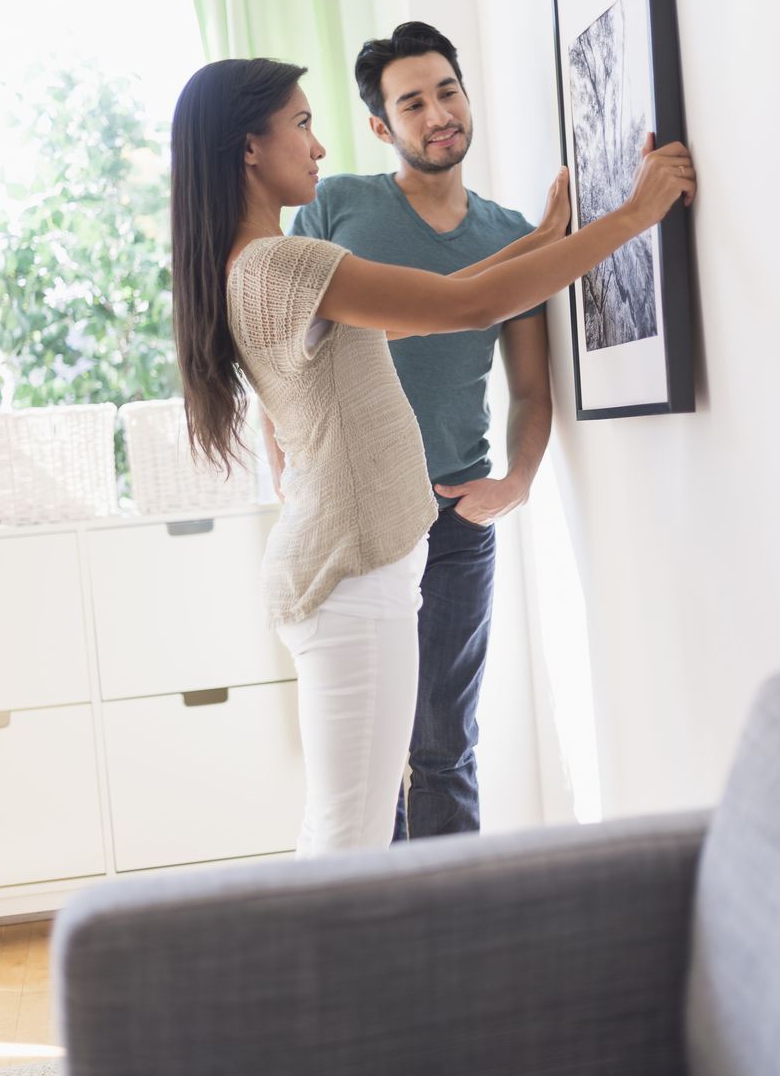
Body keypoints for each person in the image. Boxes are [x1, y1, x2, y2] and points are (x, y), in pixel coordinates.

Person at [170, 55, 695, 857]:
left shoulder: (257, 266)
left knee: (342, 825)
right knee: (355, 837)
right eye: (302, 124)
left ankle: (339, 980)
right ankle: (340, 983)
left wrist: (544, 241)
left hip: (338, 569)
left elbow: (422, 315)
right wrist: (630, 216)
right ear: (249, 147)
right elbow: (465, 305)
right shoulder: (284, 263)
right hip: (351, 575)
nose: (317, 147)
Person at [289, 21, 558, 840]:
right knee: (371, 763)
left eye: (447, 90)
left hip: (454, 518)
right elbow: (293, 347)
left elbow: (532, 388)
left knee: (444, 745)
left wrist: (515, 482)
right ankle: (383, 943)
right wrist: (286, 461)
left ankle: (451, 943)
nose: (438, 113)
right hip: (359, 518)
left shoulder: (509, 235)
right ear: (382, 127)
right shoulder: (338, 207)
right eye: (413, 102)